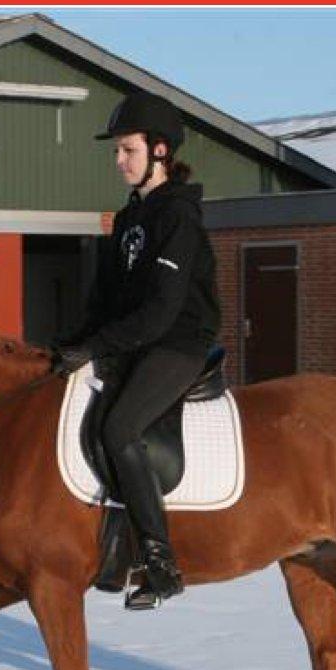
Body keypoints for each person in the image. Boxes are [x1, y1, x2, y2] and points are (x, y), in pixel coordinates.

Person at [55, 90, 222, 608]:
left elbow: (160, 311)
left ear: (160, 152)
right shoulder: (129, 219)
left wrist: (98, 345)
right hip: (135, 342)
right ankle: (110, 543)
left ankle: (159, 559)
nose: (119, 160)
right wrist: (70, 345)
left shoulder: (177, 218)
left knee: (119, 427)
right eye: (117, 151)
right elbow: (105, 301)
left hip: (177, 344)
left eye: (127, 150)